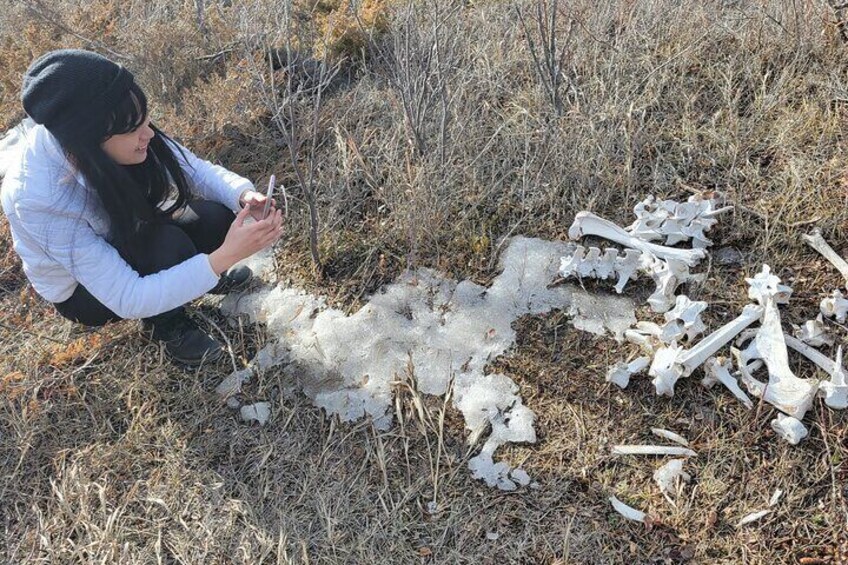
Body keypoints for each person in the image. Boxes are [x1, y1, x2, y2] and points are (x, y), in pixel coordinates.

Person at [0, 49, 284, 365]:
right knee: (167, 247)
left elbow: (192, 169)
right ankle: (168, 325)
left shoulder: (114, 120)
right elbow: (127, 296)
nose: (148, 133)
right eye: (134, 129)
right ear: (89, 140)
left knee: (216, 218)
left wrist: (243, 195)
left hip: (128, 231)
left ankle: (201, 278)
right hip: (83, 291)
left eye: (144, 119)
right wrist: (224, 257)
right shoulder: (37, 198)